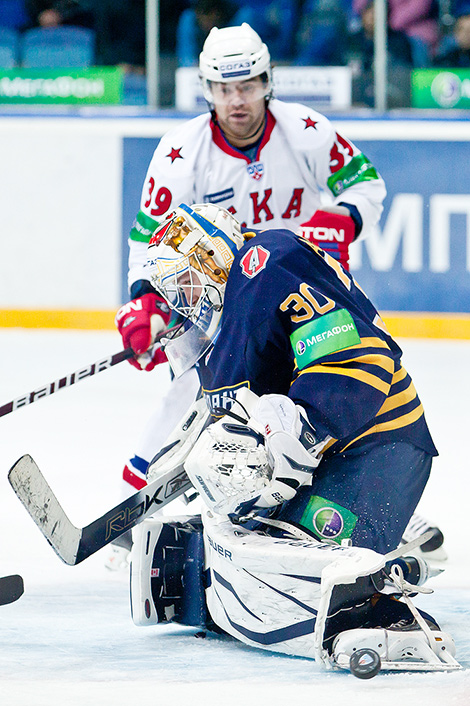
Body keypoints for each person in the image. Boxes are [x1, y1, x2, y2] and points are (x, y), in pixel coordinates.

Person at [111, 23, 441, 569]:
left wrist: (340, 219)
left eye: (246, 86)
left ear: (267, 81)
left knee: (315, 397)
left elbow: (365, 184)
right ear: (207, 89)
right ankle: (144, 497)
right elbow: (152, 241)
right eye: (223, 88)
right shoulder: (180, 153)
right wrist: (146, 300)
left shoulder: (307, 131)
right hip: (218, 294)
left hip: (295, 287)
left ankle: (364, 500)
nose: (236, 100)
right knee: (204, 388)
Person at [127, 202, 459, 670]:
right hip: (333, 454)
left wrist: (305, 430)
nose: (185, 298)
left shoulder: (266, 261)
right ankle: (393, 543)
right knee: (249, 536)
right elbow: (232, 412)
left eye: (186, 282)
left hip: (377, 441)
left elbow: (357, 357)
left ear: (212, 258)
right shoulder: (235, 307)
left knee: (299, 564)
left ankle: (386, 612)